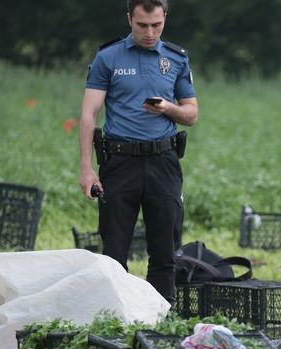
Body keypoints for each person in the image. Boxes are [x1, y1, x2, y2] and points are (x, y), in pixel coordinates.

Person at [78, 0, 198, 303]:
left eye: (156, 25)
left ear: (165, 18)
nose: (150, 32)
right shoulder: (108, 57)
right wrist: (86, 168)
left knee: (165, 252)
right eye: (142, 25)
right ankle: (117, 316)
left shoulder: (176, 58)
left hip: (163, 161)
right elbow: (89, 115)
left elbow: (191, 114)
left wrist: (167, 108)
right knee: (114, 252)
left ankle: (160, 318)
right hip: (120, 162)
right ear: (129, 19)